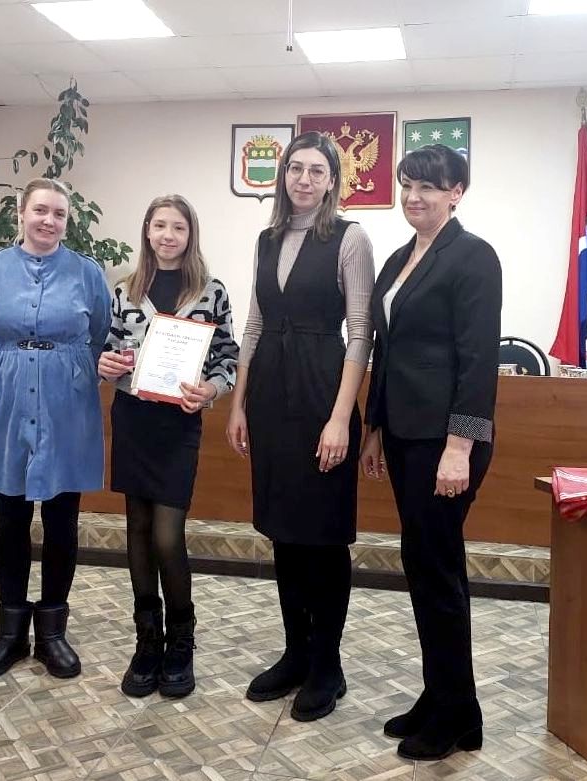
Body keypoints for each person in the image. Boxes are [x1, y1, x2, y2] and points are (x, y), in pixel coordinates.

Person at [226, 131, 374, 721]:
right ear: (282, 175)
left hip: (321, 394)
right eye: (295, 168)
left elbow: (360, 332)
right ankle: (295, 653)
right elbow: (254, 325)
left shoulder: (349, 238)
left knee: (323, 537)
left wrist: (340, 419)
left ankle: (327, 664)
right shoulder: (266, 239)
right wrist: (238, 404)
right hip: (270, 396)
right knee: (284, 534)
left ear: (332, 180)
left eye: (316, 170)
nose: (304, 179)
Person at [360, 145, 502, 760]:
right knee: (423, 566)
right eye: (407, 184)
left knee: (437, 571)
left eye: (429, 186)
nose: (414, 196)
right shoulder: (399, 259)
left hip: (447, 442)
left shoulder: (473, 257)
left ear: (456, 193)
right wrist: (373, 427)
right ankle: (445, 698)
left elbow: (477, 360)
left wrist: (458, 446)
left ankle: (454, 715)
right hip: (403, 434)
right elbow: (384, 351)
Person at [0, 177, 111, 681]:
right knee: (9, 518)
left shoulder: (87, 273)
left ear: (68, 222)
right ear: (21, 213)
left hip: (68, 405)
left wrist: (66, 372)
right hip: (5, 404)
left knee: (62, 519)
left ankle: (52, 633)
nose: (49, 221)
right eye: (40, 210)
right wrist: (6, 374)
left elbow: (101, 336)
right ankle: (9, 634)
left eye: (59, 214)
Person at [98, 195, 237, 698]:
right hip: (134, 419)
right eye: (159, 225)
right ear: (147, 231)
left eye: (178, 227)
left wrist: (212, 390)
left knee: (166, 535)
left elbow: (227, 358)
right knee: (137, 528)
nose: (168, 235)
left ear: (190, 234)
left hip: (179, 425)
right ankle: (147, 641)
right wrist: (105, 364)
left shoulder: (211, 291)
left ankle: (181, 638)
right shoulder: (125, 290)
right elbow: (108, 350)